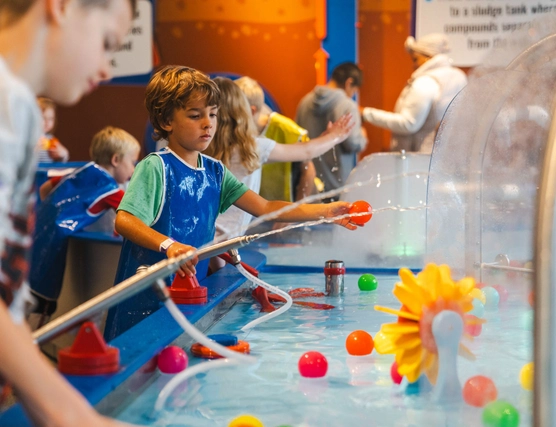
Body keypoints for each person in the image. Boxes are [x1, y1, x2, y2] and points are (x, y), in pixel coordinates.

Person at [104, 66, 359, 340]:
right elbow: (125, 220)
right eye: (195, 115)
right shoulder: (156, 167)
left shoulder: (214, 171)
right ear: (167, 121)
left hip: (187, 298)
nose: (208, 123)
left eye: (213, 114)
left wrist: (326, 211)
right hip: (143, 304)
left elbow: (266, 208)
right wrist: (169, 245)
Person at [0, 0, 137, 426]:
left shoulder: (18, 108)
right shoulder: (7, 104)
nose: (106, 70)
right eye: (107, 43)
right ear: (60, 6)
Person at [206, 77, 354, 239]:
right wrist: (334, 136)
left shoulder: (203, 149)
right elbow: (307, 151)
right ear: (244, 113)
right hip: (223, 241)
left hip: (205, 239)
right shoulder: (252, 147)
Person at [29, 126, 140, 326]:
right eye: (132, 162)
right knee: (42, 302)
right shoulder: (110, 189)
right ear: (115, 160)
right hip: (52, 246)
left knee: (25, 295)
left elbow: (45, 189)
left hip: (36, 232)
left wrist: (52, 212)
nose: (133, 170)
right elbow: (132, 216)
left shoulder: (78, 171)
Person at [361, 33, 468, 154]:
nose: (414, 65)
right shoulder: (459, 77)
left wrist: (367, 114)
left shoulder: (425, 82)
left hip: (420, 156)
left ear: (428, 56)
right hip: (447, 154)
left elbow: (408, 124)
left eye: (415, 59)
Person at [234, 76, 317, 202]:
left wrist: (298, 206)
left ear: (251, 111)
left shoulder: (289, 131)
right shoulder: (231, 130)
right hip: (257, 206)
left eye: (233, 110)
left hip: (287, 205)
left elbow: (308, 170)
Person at [296, 62, 368, 199]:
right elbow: (353, 143)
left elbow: (297, 138)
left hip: (308, 184)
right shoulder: (348, 106)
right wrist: (362, 136)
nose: (352, 94)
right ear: (349, 83)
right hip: (336, 186)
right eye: (354, 90)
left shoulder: (305, 101)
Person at [36, 97, 70, 163]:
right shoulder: (28, 138)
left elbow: (63, 158)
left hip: (49, 169)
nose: (47, 122)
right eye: (43, 118)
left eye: (51, 118)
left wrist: (62, 154)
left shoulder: (50, 138)